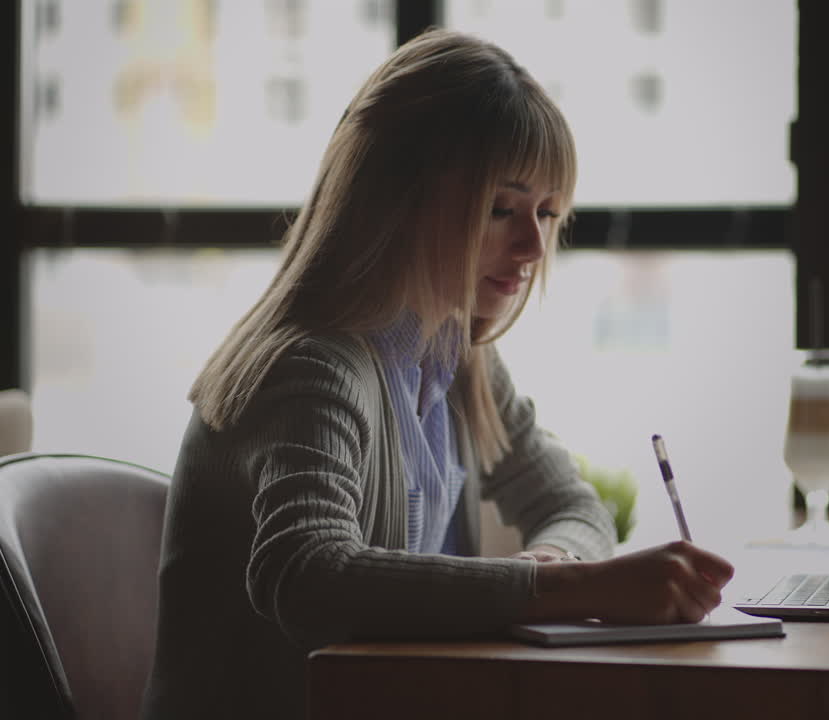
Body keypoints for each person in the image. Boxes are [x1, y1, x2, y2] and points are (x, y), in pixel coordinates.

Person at [140, 27, 734, 720]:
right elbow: (308, 577)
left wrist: (549, 568)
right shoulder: (310, 369)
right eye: (501, 209)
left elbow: (576, 509)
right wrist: (566, 591)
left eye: (546, 213)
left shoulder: (455, 355)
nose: (535, 246)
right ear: (397, 197)